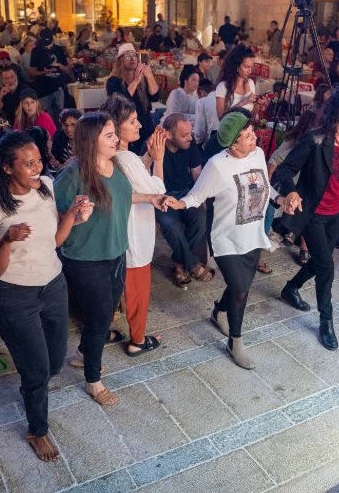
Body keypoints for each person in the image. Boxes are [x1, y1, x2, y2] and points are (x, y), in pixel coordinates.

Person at [0, 131, 93, 461]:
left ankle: (35, 387)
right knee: (35, 368)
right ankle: (38, 429)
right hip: (16, 295)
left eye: (39, 161)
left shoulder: (46, 186)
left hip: (54, 285)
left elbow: (55, 241)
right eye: (28, 164)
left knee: (54, 359)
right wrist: (6, 240)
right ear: (7, 168)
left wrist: (73, 215)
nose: (37, 168)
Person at [164, 112, 284, 368]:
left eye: (253, 132)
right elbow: (197, 196)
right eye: (248, 135)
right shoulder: (217, 165)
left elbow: (265, 185)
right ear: (232, 143)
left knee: (240, 287)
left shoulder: (259, 154)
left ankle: (218, 311)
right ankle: (235, 341)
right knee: (240, 291)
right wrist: (179, 202)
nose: (254, 137)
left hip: (252, 234)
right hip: (225, 238)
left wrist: (280, 199)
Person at [272, 86, 339, 350]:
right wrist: (292, 192)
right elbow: (284, 171)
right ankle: (326, 322)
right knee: (327, 269)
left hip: (337, 217)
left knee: (322, 262)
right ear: (337, 113)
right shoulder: (316, 139)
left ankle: (291, 288)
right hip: (314, 215)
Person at [53, 112, 135, 406]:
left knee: (107, 312)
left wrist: (153, 198)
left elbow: (125, 196)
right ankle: (93, 380)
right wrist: (73, 215)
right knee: (100, 318)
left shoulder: (116, 164)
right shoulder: (74, 173)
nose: (116, 139)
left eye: (115, 133)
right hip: (85, 256)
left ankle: (83, 353)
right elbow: (52, 212)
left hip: (115, 250)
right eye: (109, 135)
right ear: (91, 141)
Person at [100, 95, 170, 356]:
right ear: (117, 129)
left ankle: (104, 330)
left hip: (115, 234)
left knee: (113, 285)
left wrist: (149, 157)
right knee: (137, 290)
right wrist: (159, 159)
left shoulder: (111, 155)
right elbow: (158, 192)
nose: (140, 125)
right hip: (135, 234)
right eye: (132, 121)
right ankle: (137, 340)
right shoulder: (126, 159)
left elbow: (133, 174)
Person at [154, 114, 212, 287]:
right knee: (171, 226)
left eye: (190, 133)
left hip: (185, 193)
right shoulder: (155, 145)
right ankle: (192, 265)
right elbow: (147, 182)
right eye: (184, 135)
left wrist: (201, 198)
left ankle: (181, 263)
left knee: (200, 218)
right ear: (169, 135)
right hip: (160, 195)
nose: (190, 138)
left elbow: (196, 173)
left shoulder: (190, 143)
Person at [267, 109, 318, 264]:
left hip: (303, 184)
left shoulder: (320, 144)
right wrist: (267, 187)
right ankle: (303, 246)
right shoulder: (294, 141)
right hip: (288, 184)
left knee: (312, 196)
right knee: (306, 201)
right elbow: (273, 162)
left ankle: (293, 233)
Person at [107, 43, 160, 156]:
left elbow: (155, 97)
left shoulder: (143, 79)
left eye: (134, 56)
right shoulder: (113, 81)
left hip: (145, 125)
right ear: (120, 61)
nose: (132, 59)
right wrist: (136, 80)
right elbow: (121, 102)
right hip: (126, 129)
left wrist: (149, 76)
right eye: (127, 56)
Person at [28, 29, 69, 123]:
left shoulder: (59, 50)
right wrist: (44, 72)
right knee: (47, 119)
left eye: (48, 41)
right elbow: (32, 71)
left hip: (58, 88)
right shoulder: (36, 51)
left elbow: (67, 70)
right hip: (43, 90)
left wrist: (60, 66)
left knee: (60, 119)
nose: (47, 44)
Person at [215, 44, 259, 120]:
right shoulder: (223, 86)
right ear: (237, 66)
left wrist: (258, 103)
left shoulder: (250, 83)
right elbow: (221, 117)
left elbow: (252, 115)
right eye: (246, 67)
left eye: (251, 67)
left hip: (246, 129)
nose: (250, 71)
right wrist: (244, 102)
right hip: (229, 130)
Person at [194, 80, 218, 146]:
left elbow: (199, 131)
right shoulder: (224, 98)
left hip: (211, 143)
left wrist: (196, 143)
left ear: (203, 93)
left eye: (199, 96)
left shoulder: (202, 101)